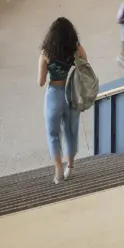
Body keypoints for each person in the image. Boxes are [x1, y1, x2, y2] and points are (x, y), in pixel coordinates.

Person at [39, 17, 86, 184]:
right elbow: (85, 68)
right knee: (71, 131)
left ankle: (58, 169)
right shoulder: (76, 49)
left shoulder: (46, 53)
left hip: (54, 94)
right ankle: (70, 167)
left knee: (53, 133)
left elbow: (41, 81)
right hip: (71, 94)